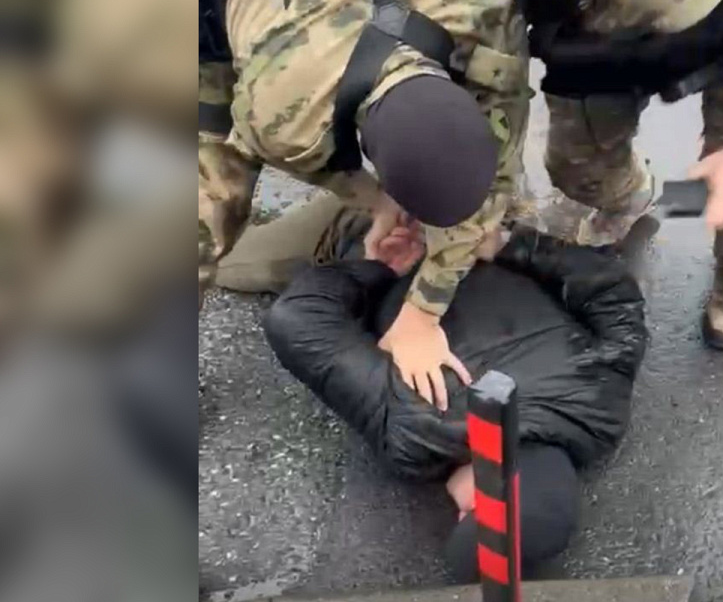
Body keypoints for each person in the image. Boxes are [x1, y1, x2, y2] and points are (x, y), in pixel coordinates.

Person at [198, 0, 531, 409]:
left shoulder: (487, 11)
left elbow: (503, 149)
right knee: (210, 201)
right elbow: (318, 163)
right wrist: (377, 200)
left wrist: (424, 310)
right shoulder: (282, 115)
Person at [263, 199, 647, 581]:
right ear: (474, 502)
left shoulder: (602, 405)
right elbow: (296, 318)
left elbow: (614, 289)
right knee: (241, 260)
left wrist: (506, 244)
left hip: (475, 209)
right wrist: (377, 268)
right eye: (463, 515)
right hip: (381, 236)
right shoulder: (417, 430)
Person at [456, 0, 723, 350]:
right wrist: (479, 211)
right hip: (600, 51)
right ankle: (630, 200)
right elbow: (480, 87)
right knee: (579, 171)